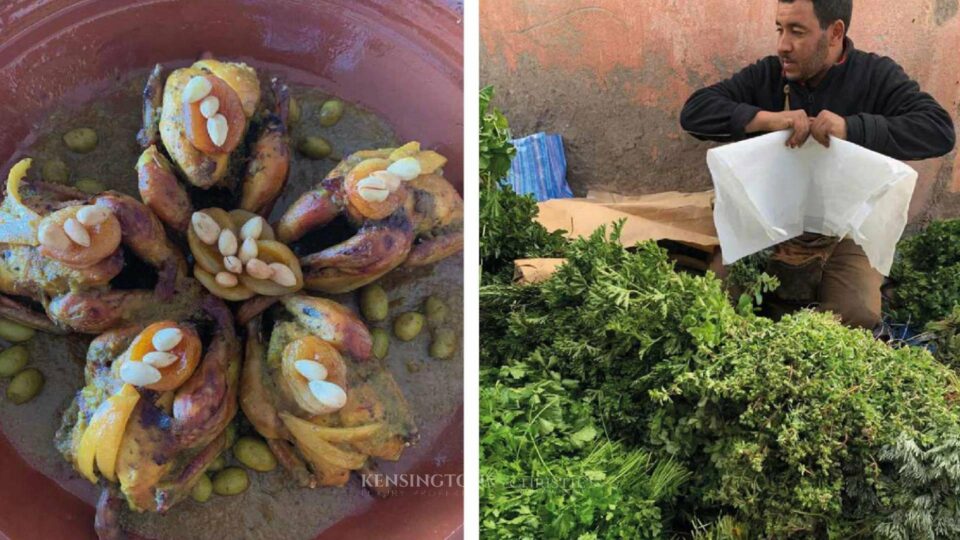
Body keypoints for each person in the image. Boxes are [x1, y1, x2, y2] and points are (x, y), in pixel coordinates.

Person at [679, 0, 956, 329]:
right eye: (780, 29)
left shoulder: (875, 76)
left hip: (847, 230)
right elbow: (695, 113)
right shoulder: (769, 75)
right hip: (768, 224)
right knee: (713, 308)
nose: (783, 45)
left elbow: (938, 130)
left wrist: (852, 128)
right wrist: (766, 120)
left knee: (854, 321)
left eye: (797, 32)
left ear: (835, 32)